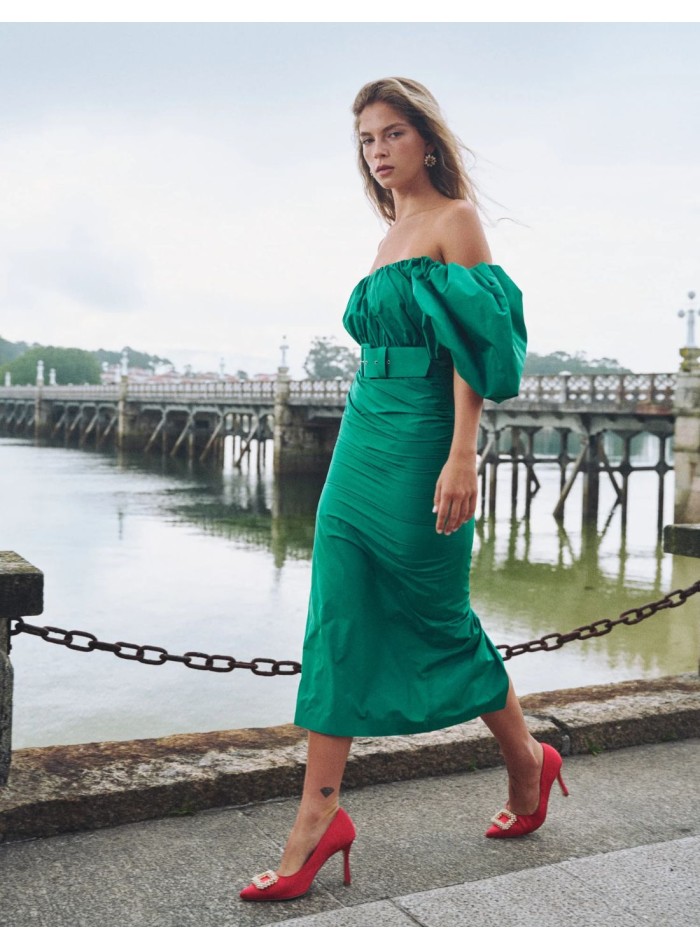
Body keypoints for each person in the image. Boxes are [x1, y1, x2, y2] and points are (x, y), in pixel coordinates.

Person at [240, 77, 568, 902]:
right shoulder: (390, 233)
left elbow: (477, 348)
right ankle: (317, 820)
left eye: (391, 134)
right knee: (338, 612)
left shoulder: (456, 221)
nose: (378, 152)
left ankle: (528, 759)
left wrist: (465, 452)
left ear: (427, 138)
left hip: (427, 435)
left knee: (436, 614)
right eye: (365, 140)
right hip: (361, 434)